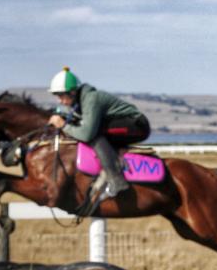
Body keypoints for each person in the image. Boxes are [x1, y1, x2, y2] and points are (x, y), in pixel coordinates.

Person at [47, 67, 150, 199]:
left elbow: (86, 134)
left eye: (61, 95)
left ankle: (116, 180)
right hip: (126, 124)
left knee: (92, 133)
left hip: (137, 125)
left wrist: (63, 125)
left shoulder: (91, 99)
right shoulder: (79, 102)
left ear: (72, 92)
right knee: (91, 131)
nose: (59, 100)